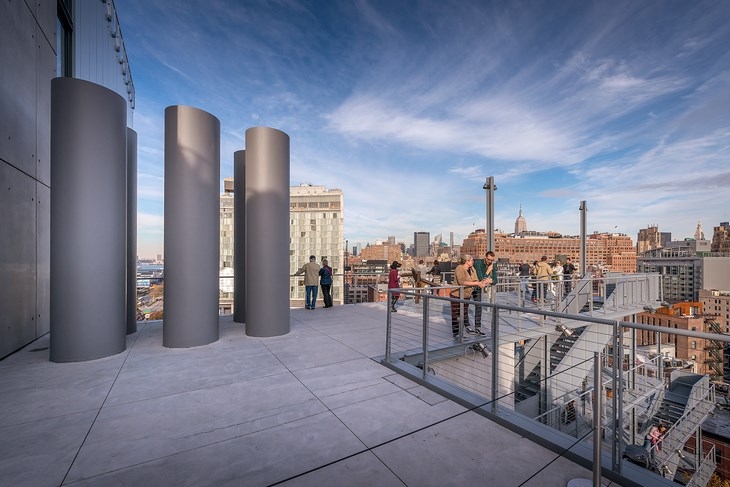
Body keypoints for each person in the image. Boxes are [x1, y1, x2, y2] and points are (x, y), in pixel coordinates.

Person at [450, 254, 488, 339]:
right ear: (467, 261)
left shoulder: (472, 268)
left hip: (466, 295)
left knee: (463, 313)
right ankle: (457, 333)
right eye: (472, 260)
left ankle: (461, 333)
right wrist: (477, 283)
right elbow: (462, 282)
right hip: (457, 295)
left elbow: (475, 279)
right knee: (456, 314)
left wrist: (481, 282)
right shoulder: (460, 268)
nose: (473, 262)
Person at [472, 251, 497, 335]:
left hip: (479, 288)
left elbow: (495, 280)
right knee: (464, 306)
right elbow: (480, 278)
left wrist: (489, 280)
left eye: (492, 260)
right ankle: (466, 325)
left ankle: (477, 327)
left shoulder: (492, 265)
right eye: (489, 259)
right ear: (485, 257)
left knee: (479, 306)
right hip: (472, 287)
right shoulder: (478, 263)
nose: (490, 261)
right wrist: (487, 273)